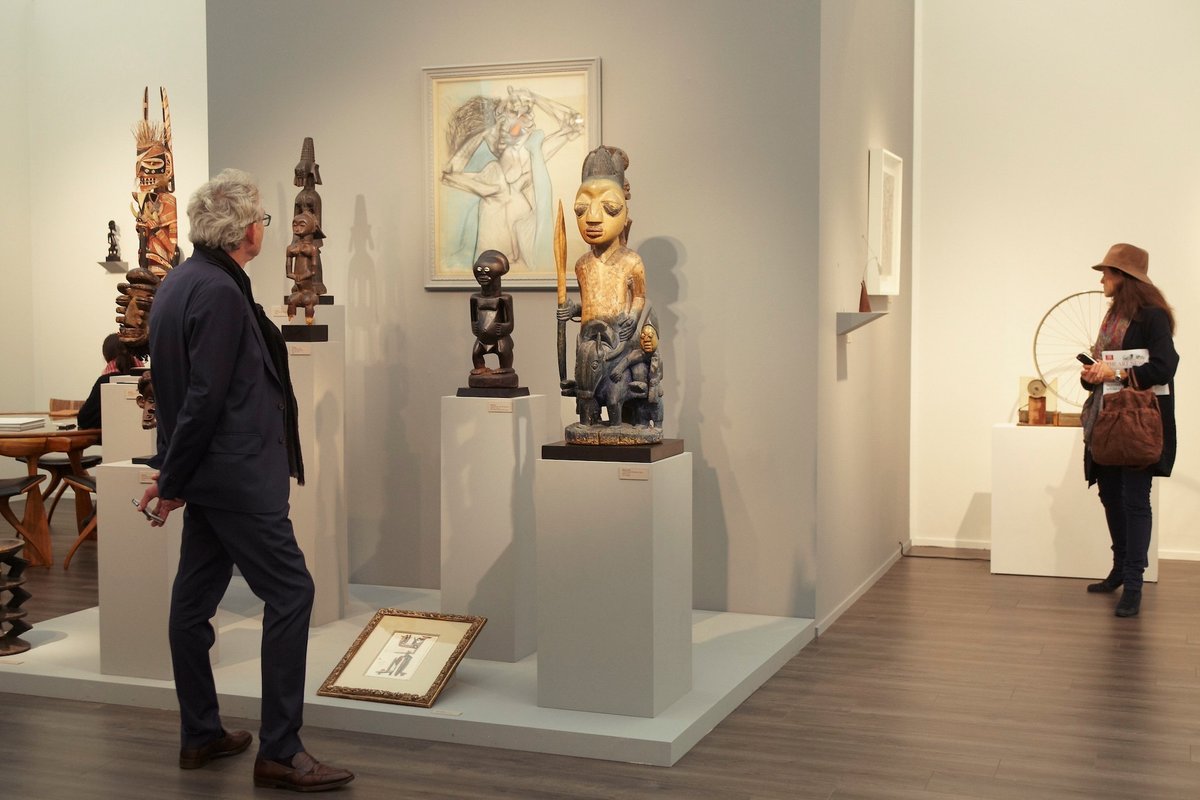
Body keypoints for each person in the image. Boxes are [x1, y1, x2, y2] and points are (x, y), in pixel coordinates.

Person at [136, 169, 353, 791]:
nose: (265, 226)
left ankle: (200, 733)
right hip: (235, 479)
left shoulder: (183, 282)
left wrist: (174, 472)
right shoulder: (219, 292)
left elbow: (177, 393)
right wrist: (171, 480)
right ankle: (280, 750)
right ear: (241, 231)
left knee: (191, 605)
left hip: (211, 477)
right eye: (261, 217)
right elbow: (202, 397)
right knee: (291, 593)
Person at [1080, 243, 1178, 618]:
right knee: (1110, 494)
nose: (1102, 280)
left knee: (1136, 499)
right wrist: (1092, 374)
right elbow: (1100, 372)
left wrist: (1118, 373)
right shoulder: (1112, 319)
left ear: (1123, 277)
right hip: (1107, 419)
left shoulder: (1152, 317)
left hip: (1139, 422)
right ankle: (1120, 568)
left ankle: (1134, 583)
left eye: (1107, 273)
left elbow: (1165, 367)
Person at [76, 333, 141, 430]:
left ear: (106, 356)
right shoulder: (145, 378)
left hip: (113, 438)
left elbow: (84, 420)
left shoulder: (105, 382)